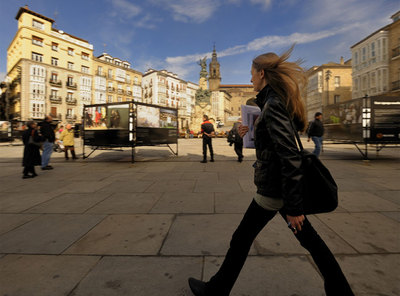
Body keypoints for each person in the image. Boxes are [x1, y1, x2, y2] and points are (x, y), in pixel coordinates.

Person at [188, 46, 354, 296]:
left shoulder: (273, 104)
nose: (250, 78)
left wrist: (296, 207)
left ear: (262, 73)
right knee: (312, 242)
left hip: (275, 188)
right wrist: (245, 133)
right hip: (280, 187)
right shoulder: (273, 101)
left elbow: (289, 155)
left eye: (252, 73)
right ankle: (341, 292)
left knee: (241, 239)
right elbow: (274, 144)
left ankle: (216, 290)